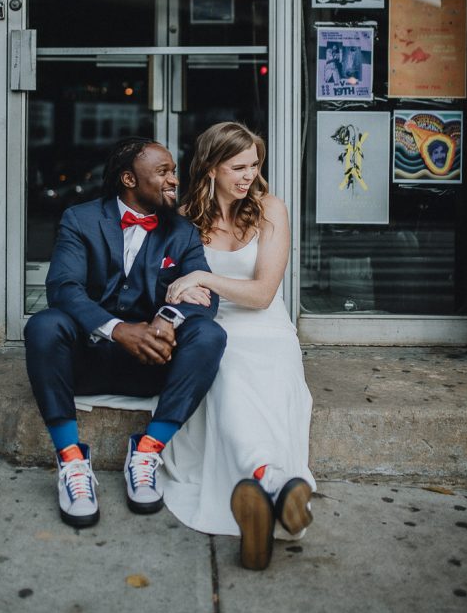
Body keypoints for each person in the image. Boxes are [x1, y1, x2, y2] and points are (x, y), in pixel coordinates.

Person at [24, 137, 227, 529]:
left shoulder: (182, 233)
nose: (174, 180)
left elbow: (205, 295)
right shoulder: (80, 219)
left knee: (209, 335)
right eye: (163, 172)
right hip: (89, 358)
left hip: (156, 362)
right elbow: (64, 287)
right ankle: (71, 460)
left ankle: (148, 452)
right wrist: (118, 330)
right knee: (44, 325)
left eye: (173, 170)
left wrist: (165, 320)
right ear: (129, 179)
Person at [161, 122, 315, 570]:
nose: (249, 176)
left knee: (259, 385)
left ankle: (263, 485)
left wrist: (202, 277)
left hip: (267, 328)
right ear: (210, 167)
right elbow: (171, 287)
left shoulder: (271, 210)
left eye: (254, 165)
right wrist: (180, 289)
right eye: (237, 167)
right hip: (215, 327)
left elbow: (263, 293)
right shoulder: (185, 216)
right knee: (226, 377)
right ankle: (276, 483)